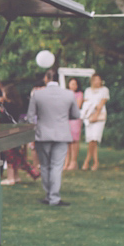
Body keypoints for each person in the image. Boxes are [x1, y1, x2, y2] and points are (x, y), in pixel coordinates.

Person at [27, 68, 80, 206]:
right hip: (62, 134)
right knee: (57, 166)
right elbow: (76, 115)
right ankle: (54, 197)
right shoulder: (68, 94)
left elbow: (30, 117)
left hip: (43, 134)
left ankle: (49, 196)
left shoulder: (37, 95)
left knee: (45, 166)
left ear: (46, 78)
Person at [0, 82, 39, 185]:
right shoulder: (17, 104)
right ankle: (16, 176)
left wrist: (0, 105)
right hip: (15, 133)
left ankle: (10, 178)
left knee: (10, 156)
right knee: (15, 155)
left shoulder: (7, 105)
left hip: (7, 133)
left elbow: (3, 116)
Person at [81, 73, 110, 171]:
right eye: (95, 79)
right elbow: (86, 104)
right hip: (89, 116)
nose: (97, 81)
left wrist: (96, 115)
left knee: (94, 138)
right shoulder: (88, 90)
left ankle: (87, 161)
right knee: (91, 140)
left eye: (99, 79)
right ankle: (95, 162)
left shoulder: (104, 90)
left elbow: (101, 104)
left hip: (99, 117)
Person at [63, 78, 83, 170]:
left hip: (74, 119)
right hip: (66, 119)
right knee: (67, 141)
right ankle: (66, 161)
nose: (73, 86)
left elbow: (77, 106)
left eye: (75, 84)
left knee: (74, 140)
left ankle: (73, 162)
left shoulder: (79, 94)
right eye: (72, 84)